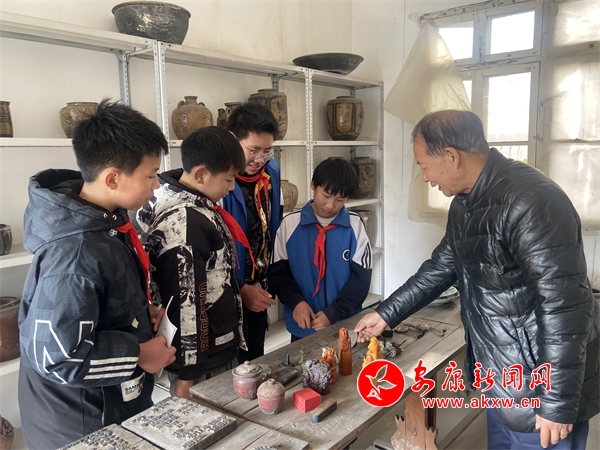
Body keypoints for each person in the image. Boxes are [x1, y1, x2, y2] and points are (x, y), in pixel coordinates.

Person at [355, 110, 599, 450]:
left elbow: (564, 307)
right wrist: (386, 313)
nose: (424, 177)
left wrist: (556, 403)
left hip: (540, 390)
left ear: (452, 157)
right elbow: (440, 267)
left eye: (424, 165)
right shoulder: (466, 202)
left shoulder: (532, 202)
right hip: (502, 379)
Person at [17, 99, 176, 449]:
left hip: (105, 405)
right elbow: (58, 357)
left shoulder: (105, 223)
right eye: (150, 175)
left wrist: (138, 317)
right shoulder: (73, 254)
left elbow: (101, 302)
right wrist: (139, 353)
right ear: (113, 178)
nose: (156, 185)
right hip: (78, 424)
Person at [138, 126, 249, 399]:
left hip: (211, 347)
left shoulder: (194, 204)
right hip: (203, 360)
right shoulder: (185, 223)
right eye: (228, 179)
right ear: (200, 174)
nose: (231, 187)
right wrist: (188, 375)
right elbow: (186, 301)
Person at [269, 158, 372, 341]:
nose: (330, 205)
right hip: (303, 326)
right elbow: (278, 273)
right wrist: (296, 302)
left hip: (344, 324)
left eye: (340, 199)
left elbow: (361, 280)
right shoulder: (290, 224)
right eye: (326, 195)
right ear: (313, 185)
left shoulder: (355, 226)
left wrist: (334, 312)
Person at [223, 103, 281, 362]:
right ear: (233, 139)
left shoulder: (271, 173)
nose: (259, 159)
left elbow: (273, 225)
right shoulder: (220, 181)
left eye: (267, 151)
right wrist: (240, 288)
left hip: (260, 285)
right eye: (253, 150)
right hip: (229, 291)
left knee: (256, 358)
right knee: (232, 364)